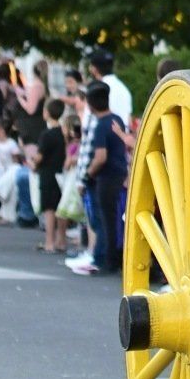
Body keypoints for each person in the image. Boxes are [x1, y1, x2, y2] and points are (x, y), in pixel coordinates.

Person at [76, 78, 128, 278]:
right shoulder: (116, 120)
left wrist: (87, 175)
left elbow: (100, 157)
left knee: (105, 220)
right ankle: (115, 256)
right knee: (116, 218)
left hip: (105, 177)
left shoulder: (99, 125)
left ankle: (107, 260)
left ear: (89, 103)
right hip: (120, 173)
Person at [34, 98, 69, 253]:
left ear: (47, 112)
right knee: (61, 208)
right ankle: (62, 240)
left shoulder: (46, 135)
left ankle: (49, 242)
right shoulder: (63, 133)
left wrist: (33, 163)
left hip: (47, 173)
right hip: (62, 172)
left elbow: (39, 157)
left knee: (49, 209)